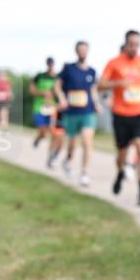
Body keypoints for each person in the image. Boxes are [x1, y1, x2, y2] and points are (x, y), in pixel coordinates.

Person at [99, 30, 140, 206]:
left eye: (137, 44)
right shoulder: (114, 63)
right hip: (121, 114)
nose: (134, 48)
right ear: (125, 44)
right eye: (131, 44)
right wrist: (118, 83)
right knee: (122, 153)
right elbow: (101, 85)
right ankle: (119, 173)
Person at [54, 41, 100, 187]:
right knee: (72, 144)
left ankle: (84, 173)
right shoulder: (68, 69)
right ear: (76, 51)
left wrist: (97, 103)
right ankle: (68, 161)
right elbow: (57, 86)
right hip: (72, 112)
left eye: (85, 50)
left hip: (87, 111)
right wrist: (61, 99)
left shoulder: (91, 71)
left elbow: (93, 90)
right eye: (80, 50)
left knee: (87, 141)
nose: (83, 52)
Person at [30, 58, 58, 150]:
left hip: (52, 107)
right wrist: (43, 93)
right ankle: (39, 138)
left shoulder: (57, 77)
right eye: (49, 64)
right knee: (43, 132)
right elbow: (32, 90)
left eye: (52, 64)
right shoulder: (39, 76)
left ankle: (52, 152)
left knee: (53, 130)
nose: (50, 66)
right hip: (39, 107)